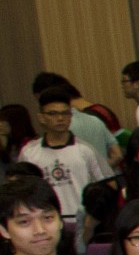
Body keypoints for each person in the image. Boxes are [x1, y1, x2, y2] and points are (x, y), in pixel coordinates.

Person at [19, 91, 109, 228]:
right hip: (45, 225)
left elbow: (106, 186)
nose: (60, 118)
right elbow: (22, 192)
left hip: (82, 223)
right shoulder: (29, 153)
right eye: (53, 114)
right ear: (41, 118)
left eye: (65, 113)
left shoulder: (86, 150)